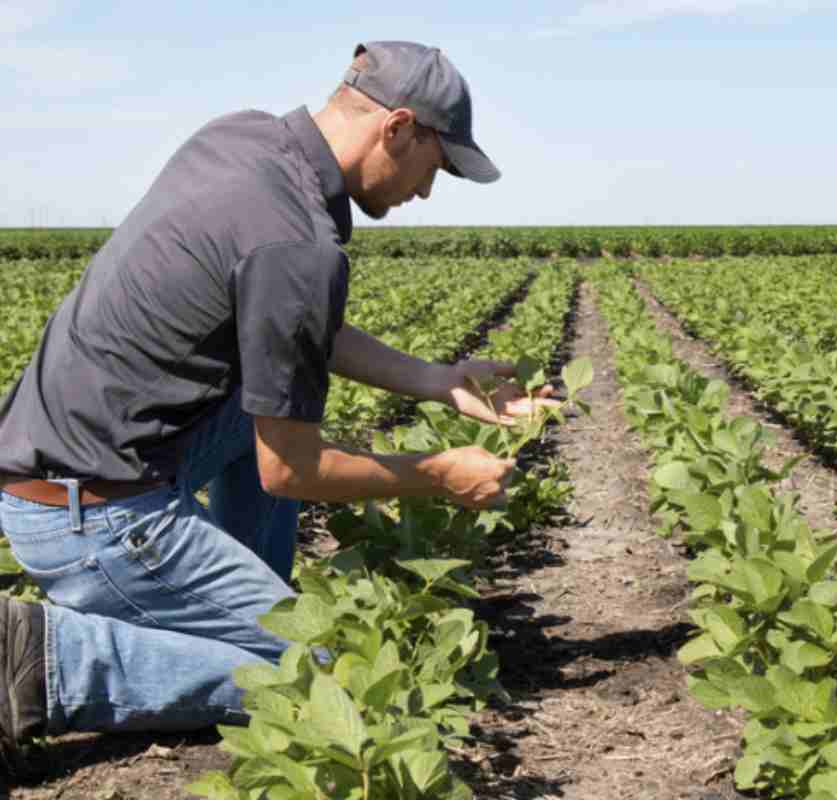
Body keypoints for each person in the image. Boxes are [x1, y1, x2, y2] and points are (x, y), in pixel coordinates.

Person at [0, 41, 553, 774]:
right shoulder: (295, 240)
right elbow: (293, 470)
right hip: (96, 516)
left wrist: (437, 379)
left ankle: (239, 606)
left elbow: (291, 320)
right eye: (437, 162)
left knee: (258, 405)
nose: (429, 189)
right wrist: (440, 474)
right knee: (321, 679)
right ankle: (50, 658)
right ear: (397, 127)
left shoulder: (248, 139)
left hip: (60, 469)